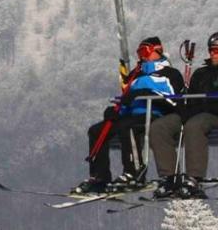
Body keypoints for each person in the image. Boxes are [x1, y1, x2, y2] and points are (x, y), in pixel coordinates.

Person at [75, 36, 184, 194]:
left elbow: (174, 102)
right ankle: (99, 176)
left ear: (157, 51)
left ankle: (134, 173)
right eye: (139, 52)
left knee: (129, 126)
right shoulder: (135, 75)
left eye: (145, 51)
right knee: (97, 130)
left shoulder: (170, 74)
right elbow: (128, 98)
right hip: (133, 114)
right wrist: (115, 111)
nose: (142, 56)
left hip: (155, 114)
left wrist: (147, 93)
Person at [150, 31, 218, 199]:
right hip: (194, 112)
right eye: (211, 50)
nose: (213, 53)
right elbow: (188, 96)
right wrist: (183, 107)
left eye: (217, 50)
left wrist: (204, 104)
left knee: (193, 126)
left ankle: (194, 178)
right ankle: (169, 177)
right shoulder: (201, 73)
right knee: (160, 126)